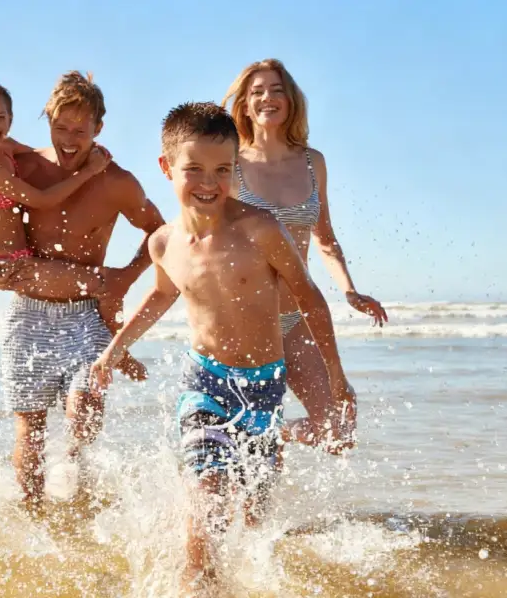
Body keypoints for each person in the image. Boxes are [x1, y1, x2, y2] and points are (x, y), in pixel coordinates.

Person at [88, 102, 354, 593]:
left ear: (236, 169)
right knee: (205, 513)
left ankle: (276, 440)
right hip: (204, 384)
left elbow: (310, 301)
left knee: (253, 525)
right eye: (193, 169)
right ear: (166, 167)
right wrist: (114, 350)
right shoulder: (164, 243)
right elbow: (162, 293)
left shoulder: (260, 229)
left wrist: (337, 378)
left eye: (222, 170)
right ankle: (196, 581)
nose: (208, 182)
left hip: (265, 386)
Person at [0, 73, 166, 514]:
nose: (70, 140)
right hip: (28, 315)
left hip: (83, 315)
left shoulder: (117, 181)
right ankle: (34, 517)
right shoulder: (24, 166)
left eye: (81, 130)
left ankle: (78, 488)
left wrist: (127, 276)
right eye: (61, 127)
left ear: (98, 130)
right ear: (46, 120)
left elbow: (159, 231)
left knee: (83, 411)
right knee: (29, 430)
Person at [222, 58, 389, 439]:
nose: (268, 98)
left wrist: (349, 290)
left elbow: (324, 237)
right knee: (255, 463)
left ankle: (273, 432)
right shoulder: (230, 165)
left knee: (338, 428)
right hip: (245, 321)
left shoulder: (313, 163)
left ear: (291, 100)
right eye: (257, 91)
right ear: (245, 104)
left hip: (294, 318)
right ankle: (259, 436)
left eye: (277, 90)